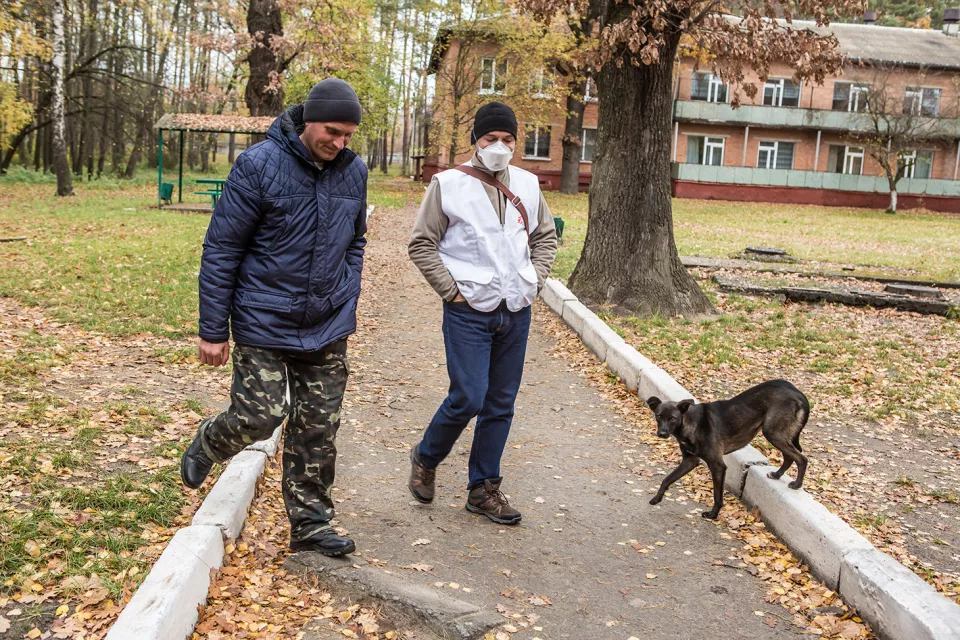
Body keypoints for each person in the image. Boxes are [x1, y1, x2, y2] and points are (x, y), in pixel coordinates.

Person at [180, 78, 367, 557]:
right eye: (332, 131)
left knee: (318, 428)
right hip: (263, 318)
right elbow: (222, 249)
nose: (339, 143)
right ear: (308, 121)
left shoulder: (353, 171)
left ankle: (310, 525)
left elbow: (356, 240)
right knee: (260, 415)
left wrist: (347, 289)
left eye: (348, 135)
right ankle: (209, 442)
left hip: (326, 323)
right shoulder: (258, 165)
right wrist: (211, 329)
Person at [407, 101, 558, 524]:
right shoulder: (448, 184)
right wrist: (452, 292)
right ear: (475, 139)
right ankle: (427, 455)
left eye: (507, 139)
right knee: (468, 397)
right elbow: (421, 242)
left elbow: (545, 237)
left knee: (500, 403)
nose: (499, 146)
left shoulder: (528, 184)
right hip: (468, 311)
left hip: (516, 310)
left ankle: (483, 489)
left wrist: (535, 279)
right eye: (491, 138)